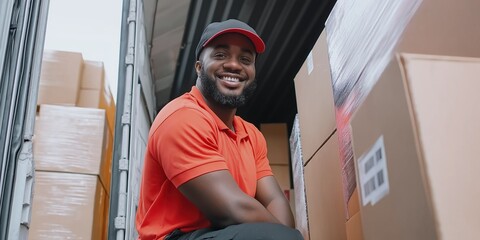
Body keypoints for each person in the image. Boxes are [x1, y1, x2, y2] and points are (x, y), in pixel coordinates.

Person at [136, 19, 303, 240]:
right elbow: (233, 210)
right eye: (220, 55)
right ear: (198, 67)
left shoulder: (251, 135)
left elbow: (274, 200)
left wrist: (285, 236)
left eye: (245, 59)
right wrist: (284, 237)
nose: (234, 65)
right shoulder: (181, 117)